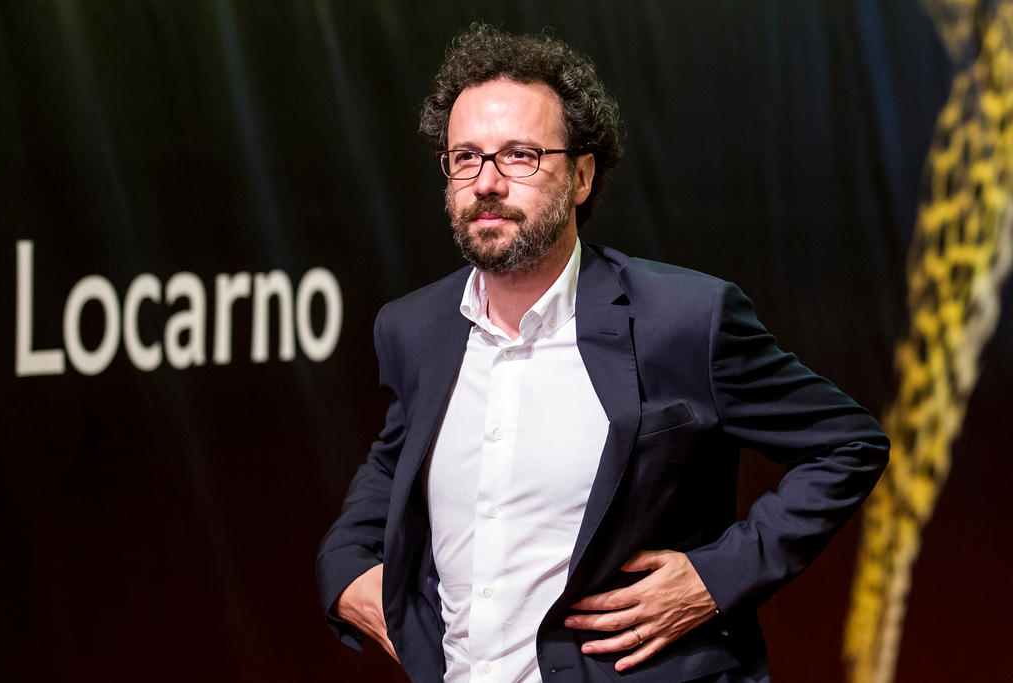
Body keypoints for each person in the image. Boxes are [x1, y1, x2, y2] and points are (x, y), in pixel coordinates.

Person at [316, 23, 888, 683]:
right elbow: (395, 462)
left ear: (581, 175)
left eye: (520, 156)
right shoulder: (415, 327)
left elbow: (847, 443)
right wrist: (347, 566)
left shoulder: (682, 320)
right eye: (466, 157)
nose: (487, 182)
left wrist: (716, 576)